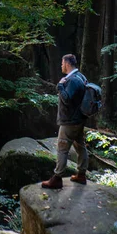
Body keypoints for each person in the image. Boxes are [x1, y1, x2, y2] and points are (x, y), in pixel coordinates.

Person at [41, 54, 88, 189]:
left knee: (62, 148)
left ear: (67, 64)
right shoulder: (81, 76)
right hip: (79, 120)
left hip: (69, 122)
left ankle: (57, 178)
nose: (61, 66)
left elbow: (67, 99)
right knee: (80, 146)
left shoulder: (72, 80)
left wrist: (60, 86)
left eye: (62, 63)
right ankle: (81, 174)